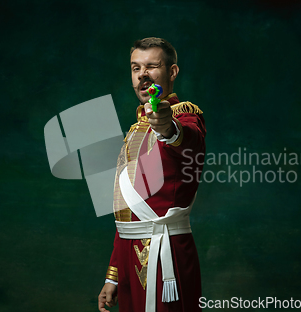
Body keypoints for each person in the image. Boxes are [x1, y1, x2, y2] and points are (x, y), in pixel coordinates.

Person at [98, 37, 206, 312]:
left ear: (172, 72)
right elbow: (127, 210)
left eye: (152, 66)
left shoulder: (183, 117)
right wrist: (113, 273)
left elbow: (185, 138)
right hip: (127, 255)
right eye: (136, 68)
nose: (142, 75)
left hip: (164, 252)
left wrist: (167, 127)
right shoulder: (137, 127)